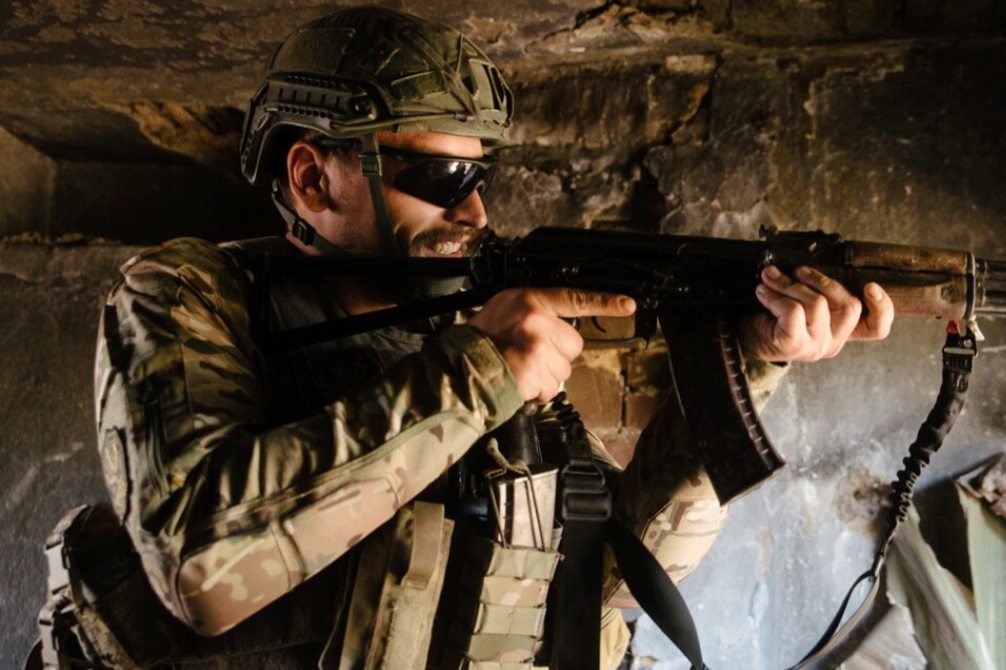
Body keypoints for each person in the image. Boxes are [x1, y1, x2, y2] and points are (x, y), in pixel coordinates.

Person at [78, 7, 894, 670]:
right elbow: (200, 566)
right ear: (312, 177)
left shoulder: (460, 327)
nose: (475, 213)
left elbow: (613, 577)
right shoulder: (190, 294)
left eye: (480, 178)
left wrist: (751, 359)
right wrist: (480, 373)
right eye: (442, 178)